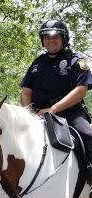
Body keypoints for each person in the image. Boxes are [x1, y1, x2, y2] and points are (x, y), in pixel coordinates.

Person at [20, 18, 92, 169]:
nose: (50, 40)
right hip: (37, 114)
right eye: (47, 37)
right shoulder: (37, 63)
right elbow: (26, 92)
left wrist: (52, 110)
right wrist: (28, 113)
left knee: (87, 135)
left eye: (55, 37)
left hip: (68, 114)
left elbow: (81, 91)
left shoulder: (76, 60)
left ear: (64, 38)